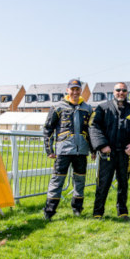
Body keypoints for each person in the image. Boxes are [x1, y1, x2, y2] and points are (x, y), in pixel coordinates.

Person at [89, 82, 130, 220]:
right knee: (103, 183)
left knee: (124, 183)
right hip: (107, 153)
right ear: (113, 92)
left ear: (127, 93)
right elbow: (93, 126)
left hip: (124, 154)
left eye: (124, 90)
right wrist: (102, 145)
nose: (121, 92)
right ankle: (98, 212)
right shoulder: (102, 108)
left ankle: (122, 211)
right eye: (118, 90)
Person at [42, 79, 95, 220]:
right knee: (57, 181)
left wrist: (93, 150)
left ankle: (77, 209)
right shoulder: (57, 107)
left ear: (81, 91)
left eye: (77, 89)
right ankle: (49, 212)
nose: (75, 92)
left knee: (80, 181)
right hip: (63, 151)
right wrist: (49, 149)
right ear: (67, 90)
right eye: (72, 89)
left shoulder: (88, 108)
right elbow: (48, 129)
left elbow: (92, 131)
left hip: (81, 152)